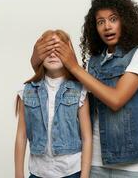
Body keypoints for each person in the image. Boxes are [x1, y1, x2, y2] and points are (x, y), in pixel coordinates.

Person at [31, 0, 138, 178]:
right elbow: (68, 93)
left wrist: (74, 66)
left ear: (126, 21)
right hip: (94, 163)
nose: (107, 26)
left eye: (113, 19)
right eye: (100, 22)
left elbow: (116, 99)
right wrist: (35, 62)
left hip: (132, 165)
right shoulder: (94, 61)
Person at [15, 30, 92, 178]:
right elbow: (21, 135)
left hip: (71, 172)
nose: (52, 54)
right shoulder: (27, 90)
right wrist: (18, 174)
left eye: (58, 49)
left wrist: (85, 176)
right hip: (38, 172)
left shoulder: (79, 91)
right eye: (47, 49)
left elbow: (87, 137)